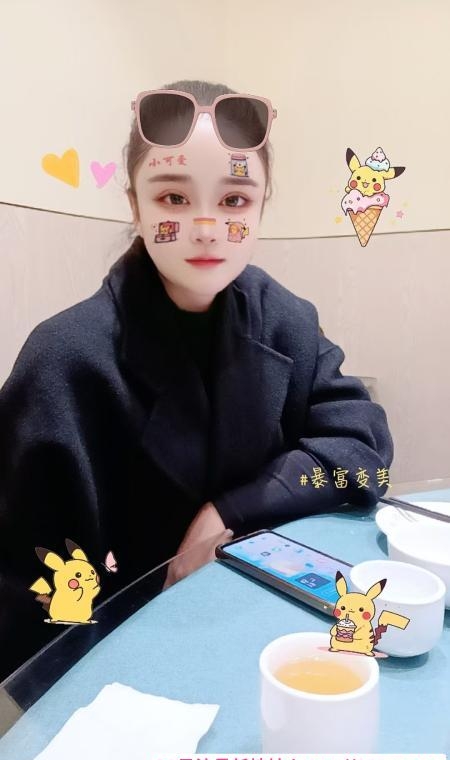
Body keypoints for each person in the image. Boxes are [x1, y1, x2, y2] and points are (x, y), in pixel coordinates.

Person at [0, 79, 393, 681]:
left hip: (269, 636)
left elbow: (363, 452)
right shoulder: (64, 362)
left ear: (261, 206)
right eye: (174, 198)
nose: (206, 227)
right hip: (124, 671)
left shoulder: (285, 320)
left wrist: (231, 508)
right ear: (135, 205)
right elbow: (31, 605)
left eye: (234, 200)